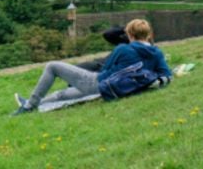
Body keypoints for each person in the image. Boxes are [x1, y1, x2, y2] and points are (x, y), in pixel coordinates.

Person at [12, 19, 171, 115]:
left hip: (99, 83)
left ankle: (28, 106)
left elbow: (105, 70)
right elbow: (166, 75)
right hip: (112, 88)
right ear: (148, 35)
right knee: (63, 94)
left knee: (52, 66)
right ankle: (33, 104)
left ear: (130, 34)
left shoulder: (123, 49)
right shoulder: (156, 52)